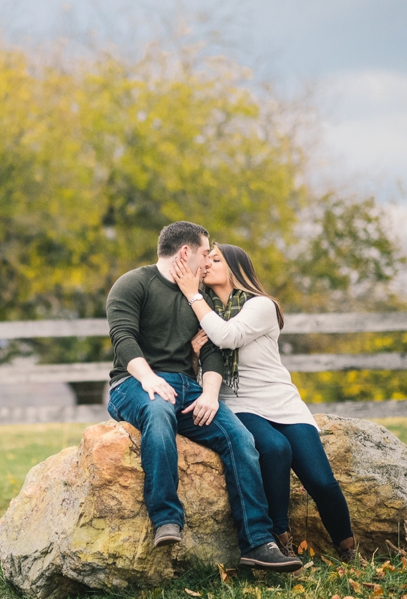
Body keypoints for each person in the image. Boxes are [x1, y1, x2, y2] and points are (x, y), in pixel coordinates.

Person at [106, 221, 302, 572]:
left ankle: (258, 542)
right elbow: (123, 339)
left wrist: (210, 395)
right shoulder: (133, 284)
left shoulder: (200, 297)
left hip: (187, 386)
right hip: (133, 383)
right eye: (203, 253)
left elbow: (211, 353)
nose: (207, 262)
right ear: (185, 253)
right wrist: (149, 379)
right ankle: (167, 519)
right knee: (158, 413)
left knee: (240, 437)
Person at [169, 243, 358, 561]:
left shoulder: (260, 306)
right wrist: (195, 351)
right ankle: (279, 537)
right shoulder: (202, 311)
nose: (207, 264)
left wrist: (193, 296)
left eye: (216, 259)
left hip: (281, 401)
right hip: (239, 403)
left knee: (321, 481)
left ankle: (349, 549)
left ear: (235, 269)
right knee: (274, 447)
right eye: (207, 259)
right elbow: (192, 353)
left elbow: (228, 336)